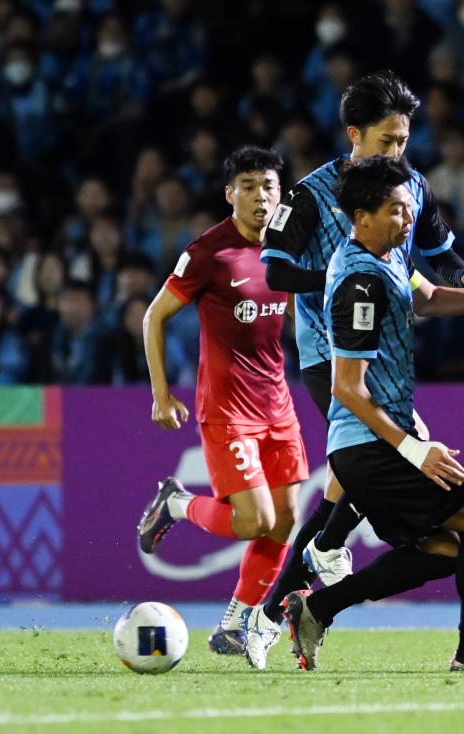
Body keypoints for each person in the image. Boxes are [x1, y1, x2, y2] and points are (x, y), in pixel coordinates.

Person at [250, 70, 464, 670]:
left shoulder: (412, 187)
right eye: (387, 141)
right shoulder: (309, 195)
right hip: (329, 356)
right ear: (353, 135)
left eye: (404, 140)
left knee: (355, 492)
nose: (398, 152)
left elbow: (437, 253)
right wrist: (350, 273)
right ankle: (292, 593)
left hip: (386, 357)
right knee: (374, 466)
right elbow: (276, 271)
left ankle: (290, 596)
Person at [283, 155, 464, 672]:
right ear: (362, 217)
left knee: (445, 551)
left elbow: (431, 298)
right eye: (396, 210)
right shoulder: (360, 282)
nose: (408, 219)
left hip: (371, 446)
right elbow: (347, 388)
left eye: (408, 208)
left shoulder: (389, 256)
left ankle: (317, 609)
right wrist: (415, 450)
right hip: (372, 446)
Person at [136, 145, 309, 658]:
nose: (261, 197)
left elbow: (296, 316)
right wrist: (161, 394)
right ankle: (176, 503)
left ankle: (234, 624)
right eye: (249, 187)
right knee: (253, 521)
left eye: (269, 187)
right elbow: (154, 317)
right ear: (230, 194)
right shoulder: (209, 252)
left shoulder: (286, 247)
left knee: (285, 520)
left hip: (278, 405)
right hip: (228, 411)